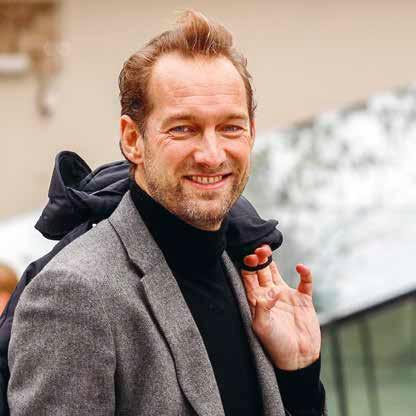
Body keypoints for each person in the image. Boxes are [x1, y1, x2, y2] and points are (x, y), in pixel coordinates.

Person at [8, 10, 325, 416]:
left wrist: (299, 377)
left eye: (230, 127)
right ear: (132, 140)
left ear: (252, 132)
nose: (212, 154)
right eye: (183, 129)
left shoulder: (246, 272)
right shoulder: (74, 293)